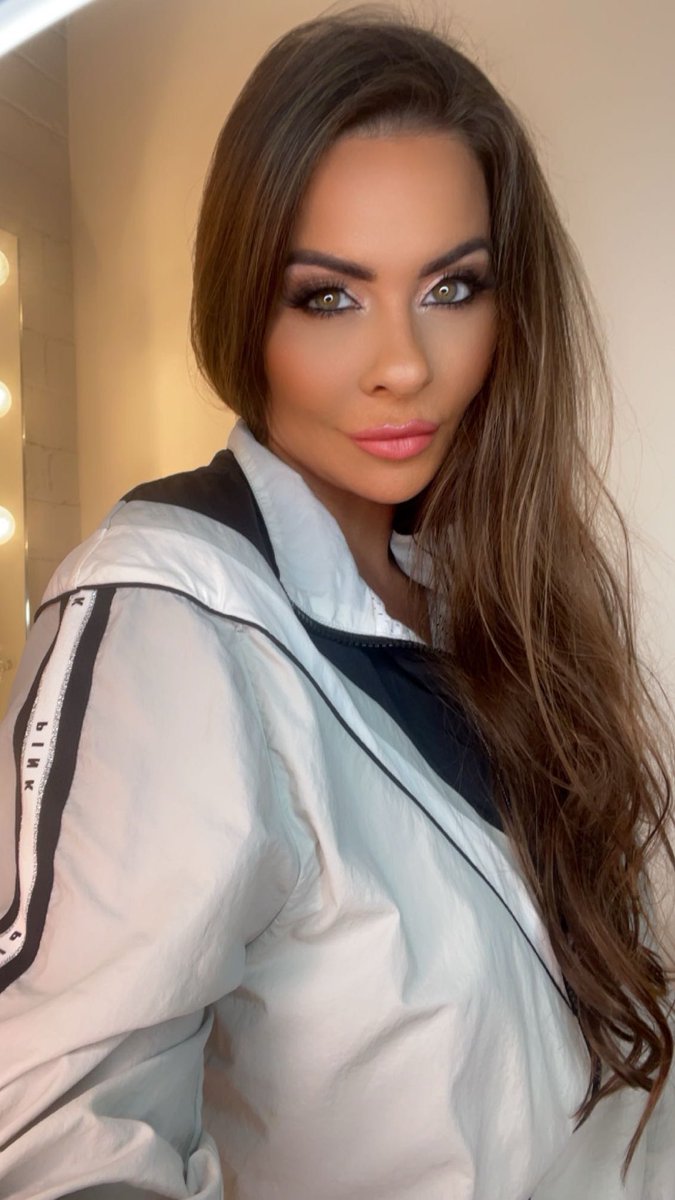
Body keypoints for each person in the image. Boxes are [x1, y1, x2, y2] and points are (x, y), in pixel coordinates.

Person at [0, 7, 673, 1198]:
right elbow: (50, 1143)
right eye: (329, 296)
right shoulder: (170, 624)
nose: (404, 364)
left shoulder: (478, 595)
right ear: (243, 306)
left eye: (452, 286)